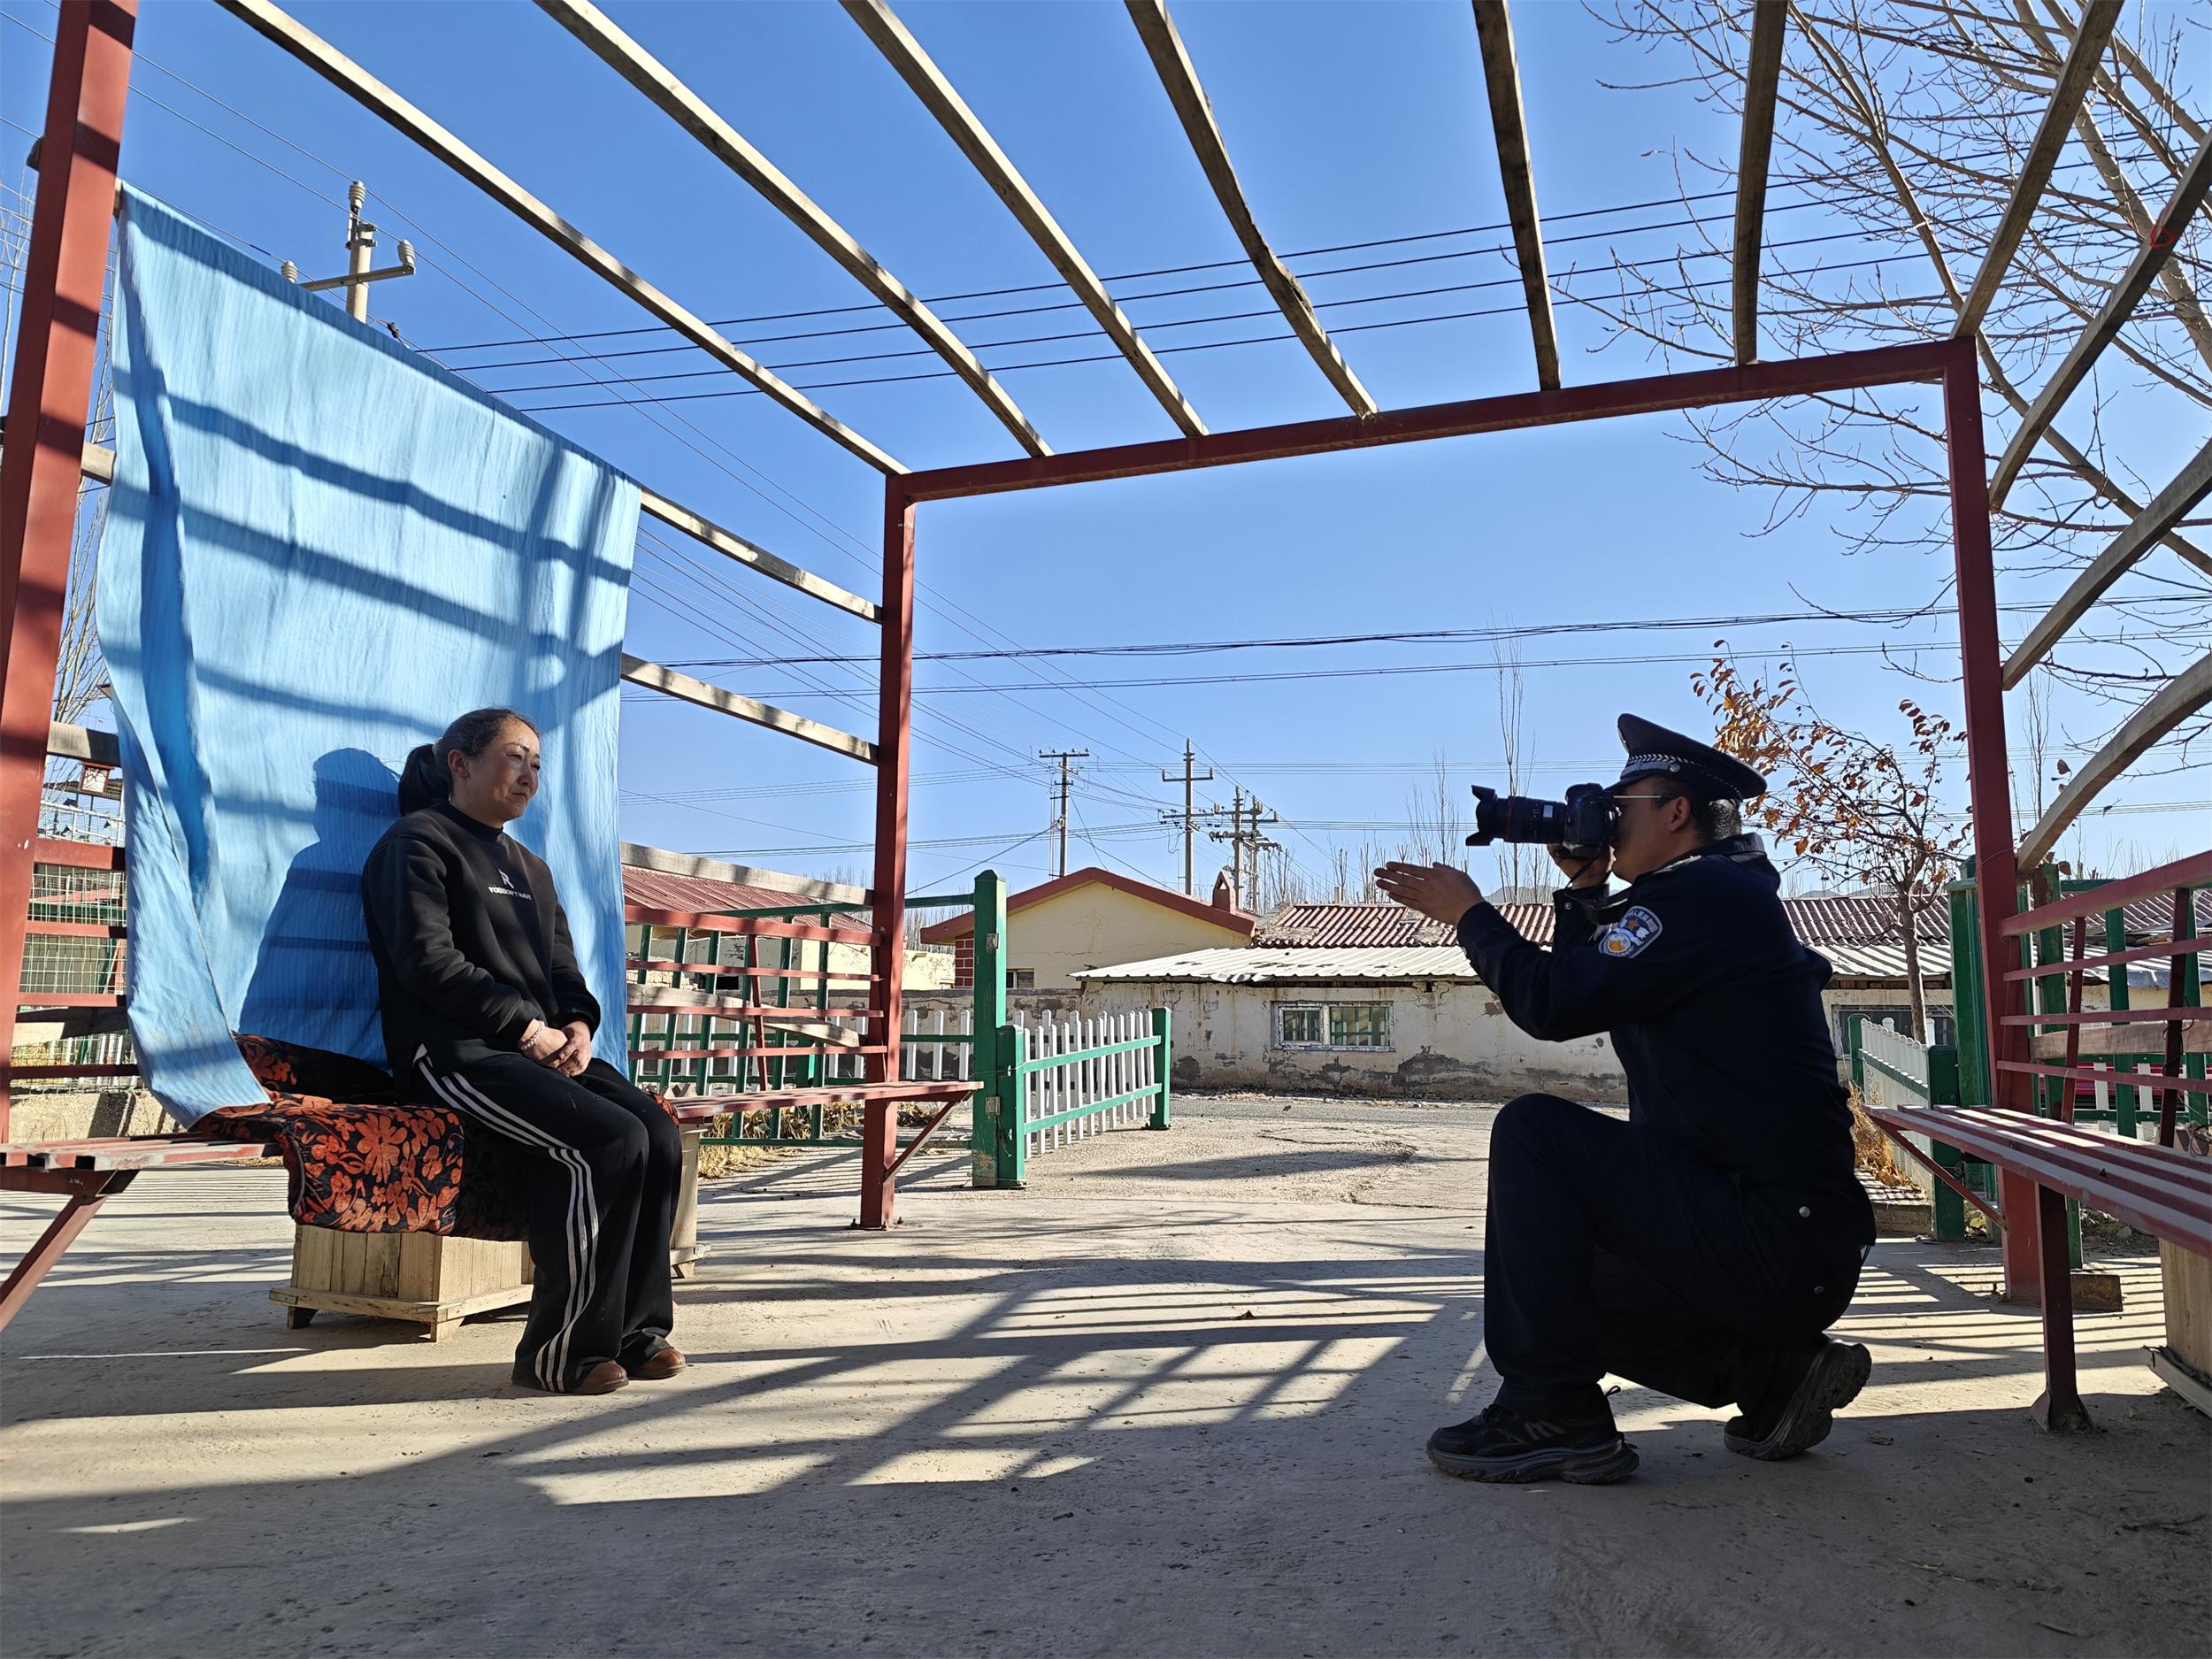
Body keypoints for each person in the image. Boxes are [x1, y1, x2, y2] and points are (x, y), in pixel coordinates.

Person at [1375, 714, 1874, 1485]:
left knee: (1534, 1132)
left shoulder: (1701, 893)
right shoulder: (1709, 895)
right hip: (1782, 1238)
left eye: (1621, 803)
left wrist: (1472, 916)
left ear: (1676, 812)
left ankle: (1552, 1410)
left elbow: (1552, 1002)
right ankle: (1775, 1375)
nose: (1607, 818)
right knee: (1548, 1276)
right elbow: (1590, 987)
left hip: (1775, 1235)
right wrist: (1585, 888)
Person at [361, 708, 685, 1395]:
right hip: (454, 1054)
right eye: (515, 757)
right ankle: (560, 1352)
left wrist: (578, 1025)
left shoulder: (531, 867)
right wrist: (524, 1029)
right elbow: (428, 964)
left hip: (536, 1049)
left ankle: (635, 1332)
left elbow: (562, 970)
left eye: (537, 763)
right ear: (460, 763)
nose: (530, 775)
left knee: (656, 1131)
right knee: (608, 1140)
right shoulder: (415, 844)